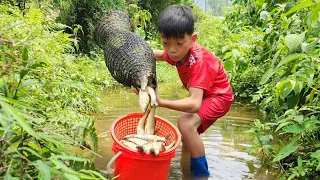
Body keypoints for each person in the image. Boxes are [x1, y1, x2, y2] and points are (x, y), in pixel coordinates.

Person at [152, 5, 234, 177]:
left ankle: (200, 175)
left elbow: (194, 103)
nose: (172, 50)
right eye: (165, 42)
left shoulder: (200, 61)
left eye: (179, 43)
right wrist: (140, 53)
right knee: (188, 131)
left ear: (193, 39)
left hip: (219, 97)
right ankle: (186, 165)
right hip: (206, 95)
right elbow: (159, 55)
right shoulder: (178, 52)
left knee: (186, 124)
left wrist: (160, 102)